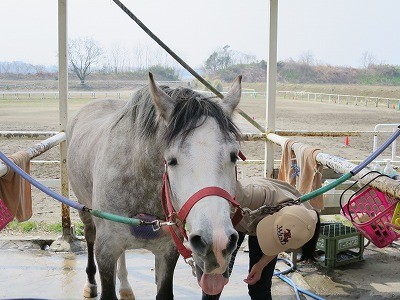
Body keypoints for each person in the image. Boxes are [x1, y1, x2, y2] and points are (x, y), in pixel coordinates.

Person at [202, 177, 320, 300]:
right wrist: (213, 257)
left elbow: (280, 243)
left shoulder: (301, 226)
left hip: (266, 221)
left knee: (260, 287)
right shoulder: (247, 195)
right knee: (215, 277)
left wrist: (260, 266)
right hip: (236, 215)